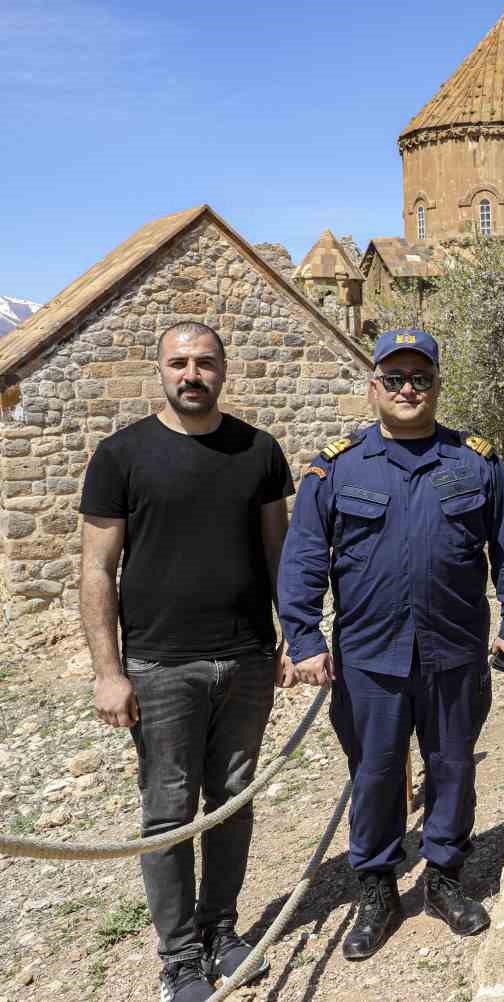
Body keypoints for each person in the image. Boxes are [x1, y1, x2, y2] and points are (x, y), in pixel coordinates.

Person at [277, 328, 504, 961]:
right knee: (374, 774)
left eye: (420, 377)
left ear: (437, 384)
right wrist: (304, 637)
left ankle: (444, 876)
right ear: (374, 387)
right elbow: (305, 557)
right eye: (394, 378)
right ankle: (377, 886)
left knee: (452, 767)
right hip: (370, 657)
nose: (408, 389)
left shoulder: (473, 461)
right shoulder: (335, 468)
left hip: (454, 651)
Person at [79, 322, 296, 1002]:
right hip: (159, 666)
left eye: (204, 361)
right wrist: (109, 672)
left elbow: (278, 555)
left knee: (231, 804)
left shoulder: (258, 451)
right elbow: (95, 569)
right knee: (168, 814)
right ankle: (179, 959)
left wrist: (296, 638)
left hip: (247, 661)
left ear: (224, 369)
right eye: (179, 363)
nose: (192, 373)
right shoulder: (121, 456)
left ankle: (222, 932)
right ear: (162, 372)